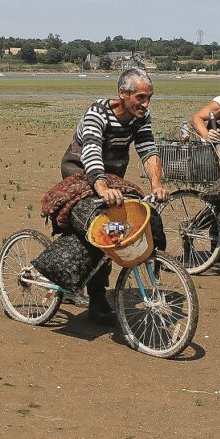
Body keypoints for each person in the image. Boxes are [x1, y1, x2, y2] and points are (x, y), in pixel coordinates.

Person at [59, 67, 169, 324]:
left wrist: (157, 184)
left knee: (131, 216)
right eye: (140, 97)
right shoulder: (97, 114)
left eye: (149, 97)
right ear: (122, 93)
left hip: (114, 172)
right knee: (104, 226)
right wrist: (101, 186)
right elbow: (91, 151)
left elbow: (148, 149)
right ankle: (97, 299)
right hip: (80, 169)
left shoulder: (141, 116)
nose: (146, 104)